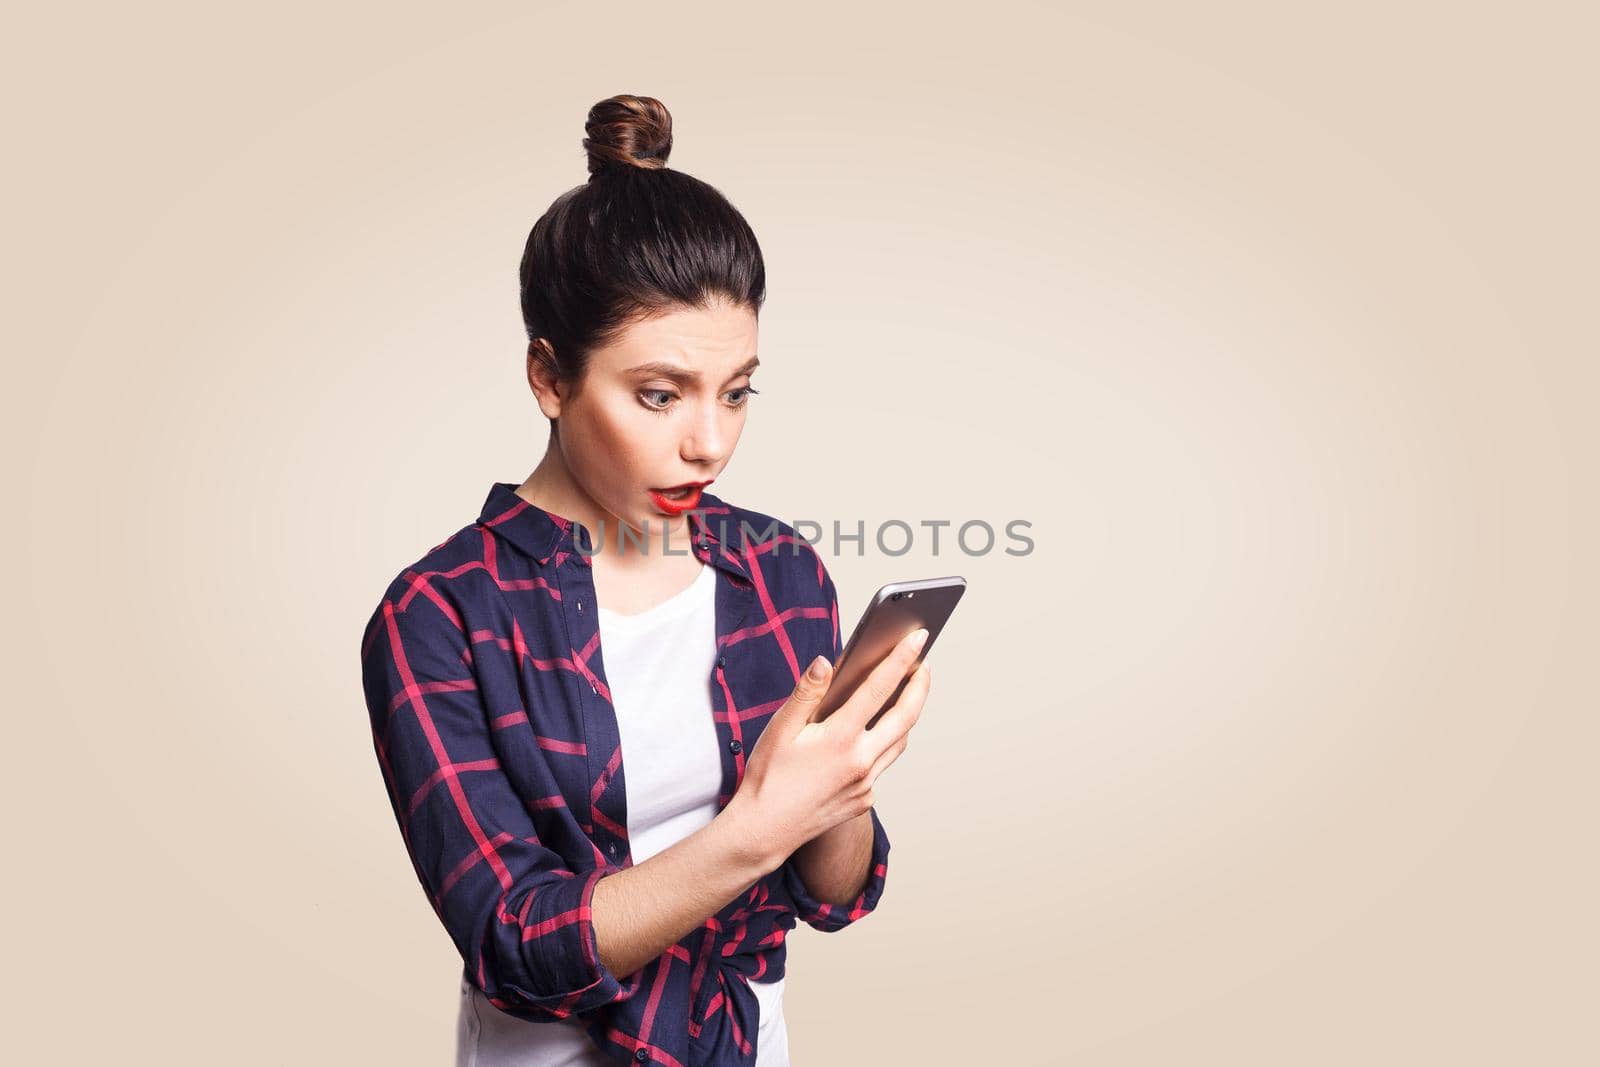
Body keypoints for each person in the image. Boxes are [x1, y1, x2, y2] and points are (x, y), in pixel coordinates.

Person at [358, 94, 932, 1067]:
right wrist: (759, 826)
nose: (708, 443)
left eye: (738, 391)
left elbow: (831, 894)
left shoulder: (781, 570)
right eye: (658, 394)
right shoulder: (439, 614)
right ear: (549, 376)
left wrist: (844, 780)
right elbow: (515, 940)